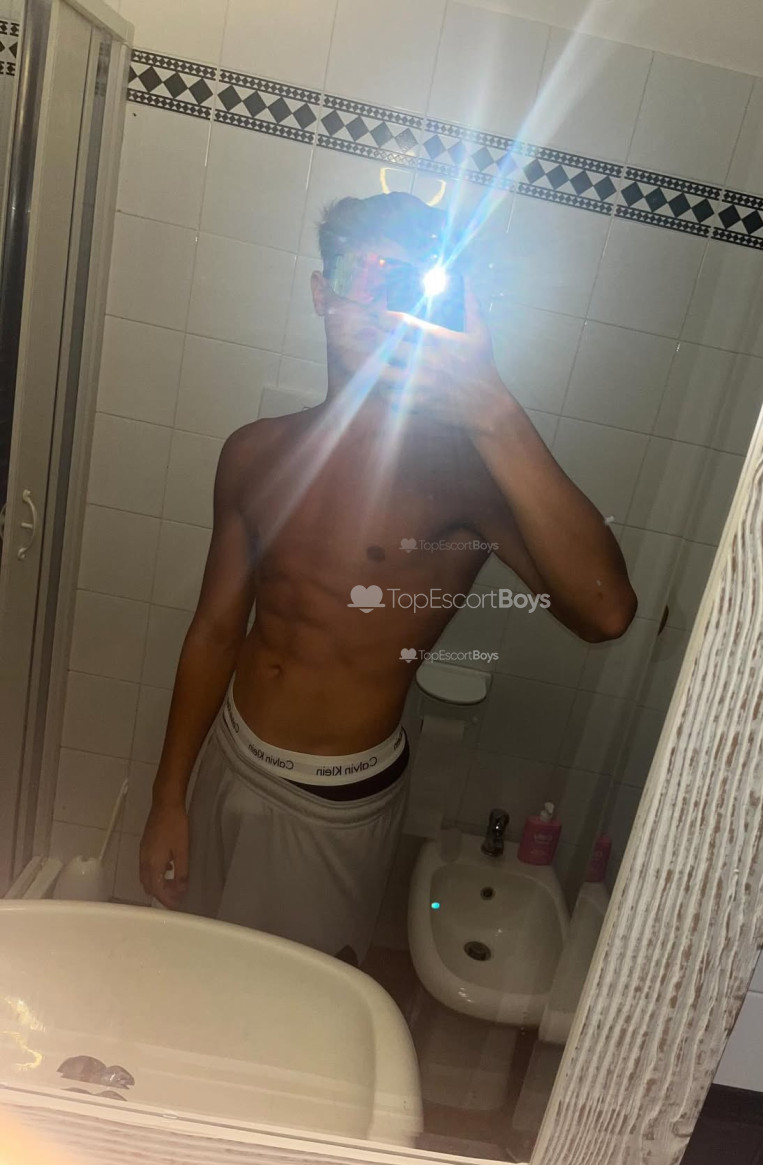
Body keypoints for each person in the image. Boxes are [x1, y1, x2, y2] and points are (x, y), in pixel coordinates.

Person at [139, 192, 637, 963]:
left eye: (404, 284)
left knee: (294, 1008)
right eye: (360, 274)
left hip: (332, 798)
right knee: (193, 969)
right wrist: (168, 795)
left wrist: (491, 406)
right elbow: (213, 631)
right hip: (228, 758)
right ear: (321, 292)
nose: (379, 302)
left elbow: (604, 612)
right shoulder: (255, 452)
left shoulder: (463, 475)